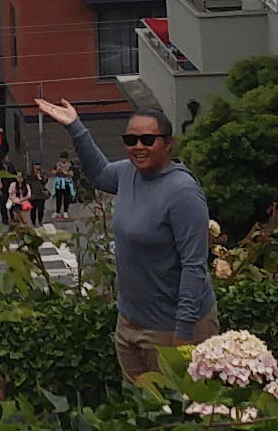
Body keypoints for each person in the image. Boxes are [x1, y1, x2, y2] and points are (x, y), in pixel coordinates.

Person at [33, 91, 216, 381]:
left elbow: (194, 267)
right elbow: (101, 173)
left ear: (168, 144)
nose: (138, 147)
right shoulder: (128, 174)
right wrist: (75, 127)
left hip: (172, 329)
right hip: (130, 323)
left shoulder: (182, 193)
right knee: (140, 415)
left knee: (176, 416)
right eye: (130, 140)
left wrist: (183, 337)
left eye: (147, 140)